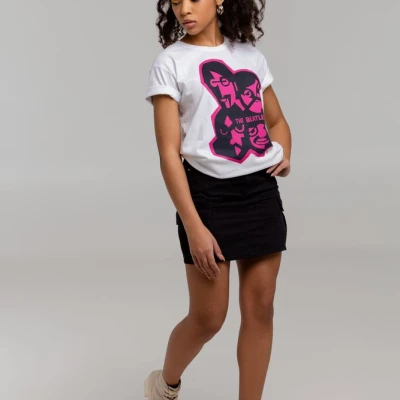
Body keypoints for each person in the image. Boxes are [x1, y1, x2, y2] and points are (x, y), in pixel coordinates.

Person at [144, 1, 292, 399]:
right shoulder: (171, 62)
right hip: (206, 195)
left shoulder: (249, 56)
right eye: (177, 2)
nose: (184, 9)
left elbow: (277, 121)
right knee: (209, 317)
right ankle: (165, 383)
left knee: (261, 308)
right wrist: (193, 225)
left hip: (259, 191)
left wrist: (284, 152)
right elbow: (168, 154)